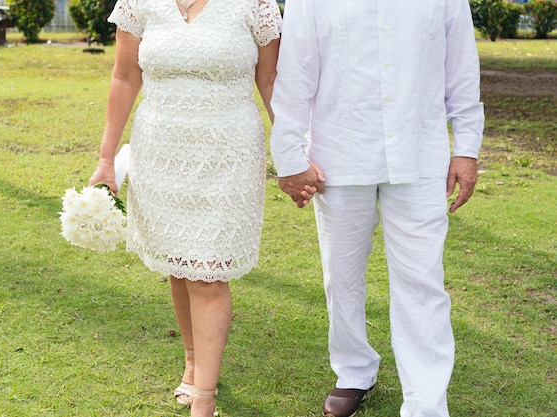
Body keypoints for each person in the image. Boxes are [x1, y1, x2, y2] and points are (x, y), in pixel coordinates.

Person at [270, 1, 484, 416]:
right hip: (339, 154)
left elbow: (461, 67)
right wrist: (290, 158)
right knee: (342, 275)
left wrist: (468, 150)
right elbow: (294, 74)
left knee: (423, 282)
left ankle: (425, 404)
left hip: (420, 155)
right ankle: (354, 370)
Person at [88, 1, 281, 416]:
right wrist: (106, 159)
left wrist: (294, 152)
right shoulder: (137, 4)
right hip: (160, 152)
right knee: (180, 263)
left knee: (208, 273)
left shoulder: (256, 4)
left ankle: (204, 402)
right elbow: (124, 77)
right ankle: (193, 362)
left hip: (227, 155)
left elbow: (271, 79)